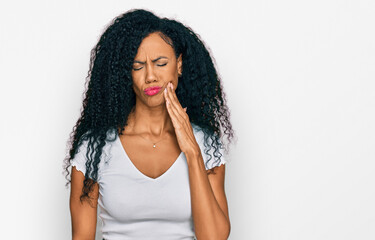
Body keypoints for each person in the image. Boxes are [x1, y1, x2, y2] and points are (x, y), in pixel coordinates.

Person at [63, 8, 234, 240]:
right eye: (137, 66)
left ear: (179, 64)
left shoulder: (204, 144)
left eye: (160, 63)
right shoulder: (94, 149)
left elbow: (214, 238)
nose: (150, 76)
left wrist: (192, 152)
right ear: (126, 73)